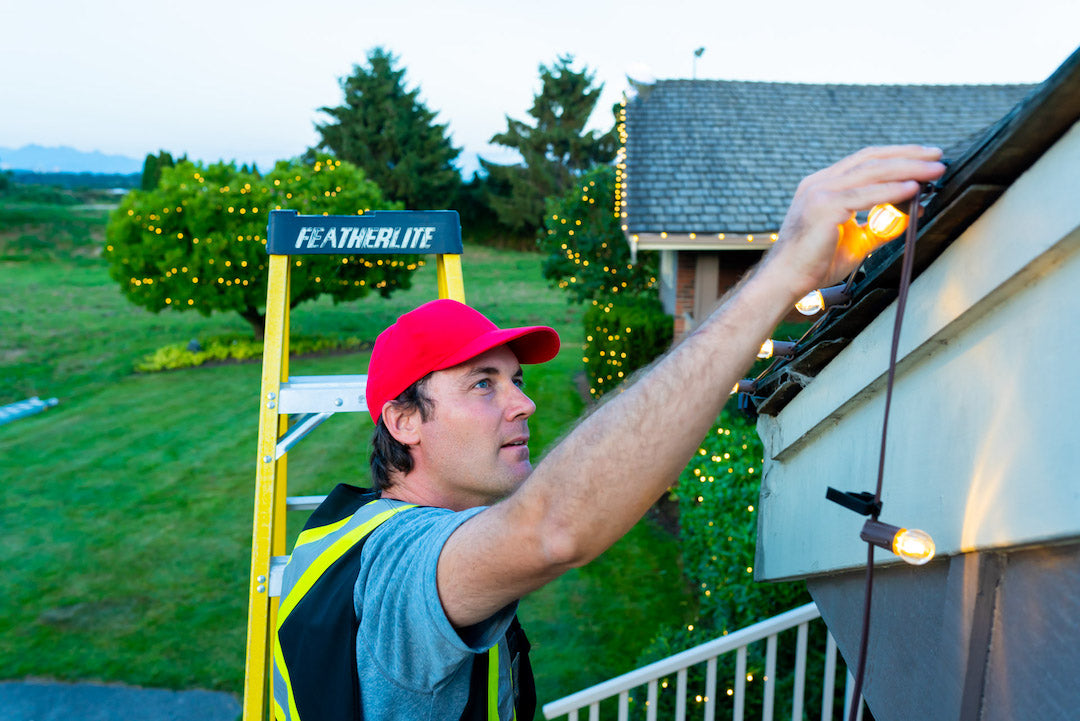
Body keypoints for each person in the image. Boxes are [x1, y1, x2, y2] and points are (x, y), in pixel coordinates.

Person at [313, 145, 945, 720]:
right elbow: (551, 530)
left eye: (516, 381)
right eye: (484, 384)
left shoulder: (337, 537)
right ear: (403, 422)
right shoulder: (398, 567)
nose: (525, 404)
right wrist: (781, 275)